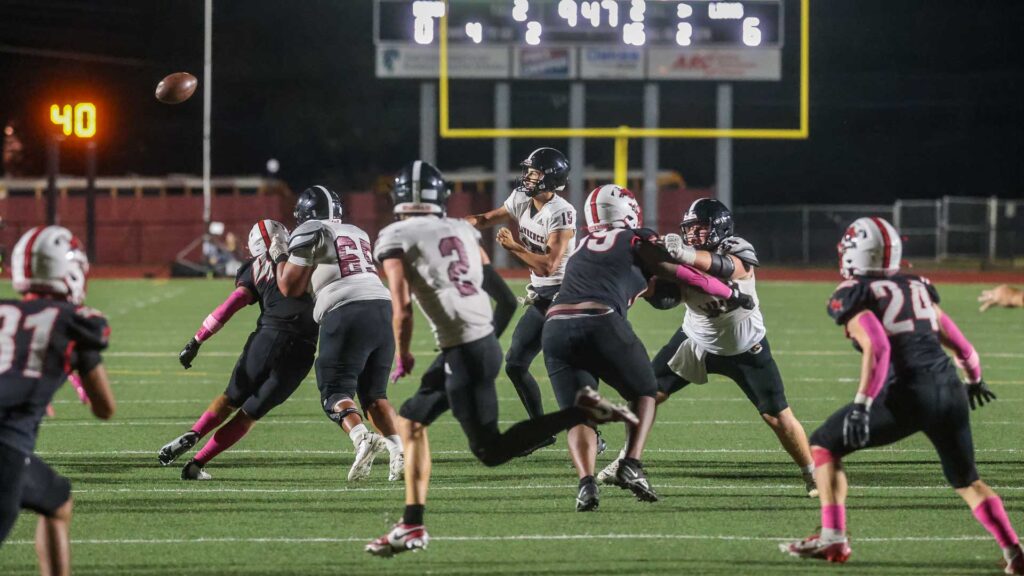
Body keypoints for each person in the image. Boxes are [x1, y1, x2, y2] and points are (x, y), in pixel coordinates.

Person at [365, 162, 637, 557]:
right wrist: (483, 344)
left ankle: (581, 414)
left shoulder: (394, 234)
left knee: (487, 449)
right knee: (413, 420)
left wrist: (404, 353)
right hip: (478, 345)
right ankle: (411, 523)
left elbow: (402, 308)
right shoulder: (459, 231)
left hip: (472, 345)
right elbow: (506, 298)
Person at [781, 217, 1023, 575]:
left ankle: (833, 537)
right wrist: (974, 380)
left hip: (909, 392)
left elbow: (878, 347)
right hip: (950, 390)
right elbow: (962, 346)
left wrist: (863, 406)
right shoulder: (917, 286)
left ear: (853, 253)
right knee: (967, 480)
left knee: (824, 445)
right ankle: (1015, 553)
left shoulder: (855, 293)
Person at [541, 185, 755, 512]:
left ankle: (586, 483)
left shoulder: (582, 244)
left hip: (555, 327)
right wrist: (731, 294)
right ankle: (631, 463)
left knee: (579, 414)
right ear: (628, 211)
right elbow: (678, 271)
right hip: (600, 319)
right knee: (645, 391)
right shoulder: (636, 238)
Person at [599, 198, 818, 497]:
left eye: (700, 229)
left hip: (744, 346)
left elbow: (730, 268)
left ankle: (813, 474)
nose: (692, 235)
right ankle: (626, 460)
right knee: (644, 395)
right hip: (694, 340)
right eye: (690, 230)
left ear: (720, 227)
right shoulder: (683, 255)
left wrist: (685, 254)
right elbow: (665, 297)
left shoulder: (736, 247)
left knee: (777, 416)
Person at [158, 220, 319, 480]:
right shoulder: (308, 260)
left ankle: (195, 432)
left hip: (267, 339)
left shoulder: (254, 268)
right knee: (248, 415)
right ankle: (197, 464)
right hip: (303, 349)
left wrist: (197, 340)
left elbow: (230, 306)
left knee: (230, 399)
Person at [0, 225, 115, 576]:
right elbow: (104, 407)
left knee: (57, 499)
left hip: (11, 452)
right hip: (5, 451)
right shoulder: (75, 323)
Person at [275, 186, 404, 482]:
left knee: (334, 391)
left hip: (346, 311)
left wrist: (280, 255)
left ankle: (361, 437)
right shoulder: (356, 231)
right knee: (375, 394)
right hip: (382, 307)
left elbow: (289, 288)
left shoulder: (310, 228)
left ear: (305, 214)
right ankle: (399, 451)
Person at [466, 148, 576, 448]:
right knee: (515, 363)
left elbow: (548, 264)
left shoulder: (561, 212)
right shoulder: (522, 199)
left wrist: (513, 247)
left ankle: (592, 435)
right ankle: (543, 431)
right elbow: (487, 218)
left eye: (534, 172)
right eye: (527, 170)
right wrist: (452, 227)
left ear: (550, 178)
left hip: (565, 297)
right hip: (543, 296)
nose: (527, 176)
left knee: (563, 369)